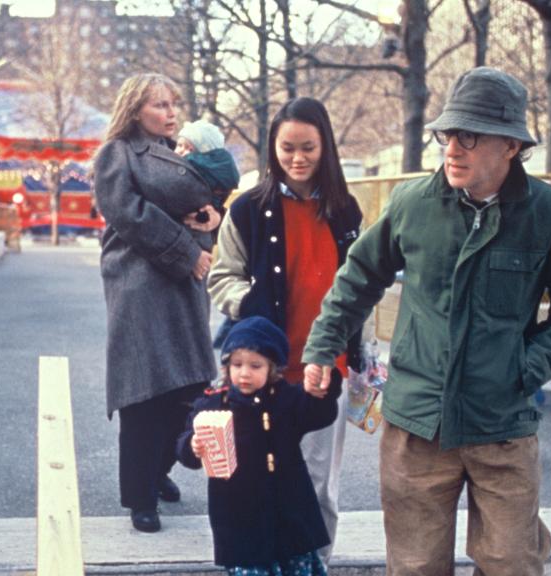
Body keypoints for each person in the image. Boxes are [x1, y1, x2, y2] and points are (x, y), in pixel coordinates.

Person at [302, 67, 551, 575]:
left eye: (469, 135)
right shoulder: (412, 204)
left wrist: (524, 370)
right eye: (447, 134)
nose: (452, 148)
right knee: (415, 566)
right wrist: (320, 348)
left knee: (513, 562)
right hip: (416, 427)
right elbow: (356, 279)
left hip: (502, 424)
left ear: (511, 145)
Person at [207, 96, 363, 558]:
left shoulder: (346, 211)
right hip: (263, 374)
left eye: (309, 148)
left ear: (326, 147)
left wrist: (363, 354)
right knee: (257, 483)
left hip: (324, 373)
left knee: (317, 489)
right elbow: (221, 277)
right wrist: (249, 303)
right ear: (272, 147)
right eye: (287, 147)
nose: (297, 158)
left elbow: (361, 285)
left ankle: (315, 568)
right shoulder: (249, 209)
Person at [93, 73, 219, 533]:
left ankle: (160, 467)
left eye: (172, 104)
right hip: (140, 287)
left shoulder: (178, 154)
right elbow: (128, 214)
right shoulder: (116, 153)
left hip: (182, 285)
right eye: (159, 106)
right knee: (144, 394)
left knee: (189, 388)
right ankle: (140, 496)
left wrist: (211, 219)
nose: (170, 113)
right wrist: (187, 252)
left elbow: (200, 209)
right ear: (134, 110)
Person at [176, 316, 341, 575]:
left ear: (272, 368)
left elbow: (320, 413)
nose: (244, 373)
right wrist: (192, 445)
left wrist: (324, 386)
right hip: (239, 516)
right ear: (227, 366)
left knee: (295, 566)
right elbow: (186, 443)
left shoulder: (287, 400)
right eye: (237, 364)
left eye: (255, 365)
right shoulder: (213, 403)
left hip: (290, 509)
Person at [175, 119, 241, 230]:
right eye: (179, 145)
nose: (181, 151)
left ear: (204, 156)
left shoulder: (197, 169)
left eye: (190, 149)